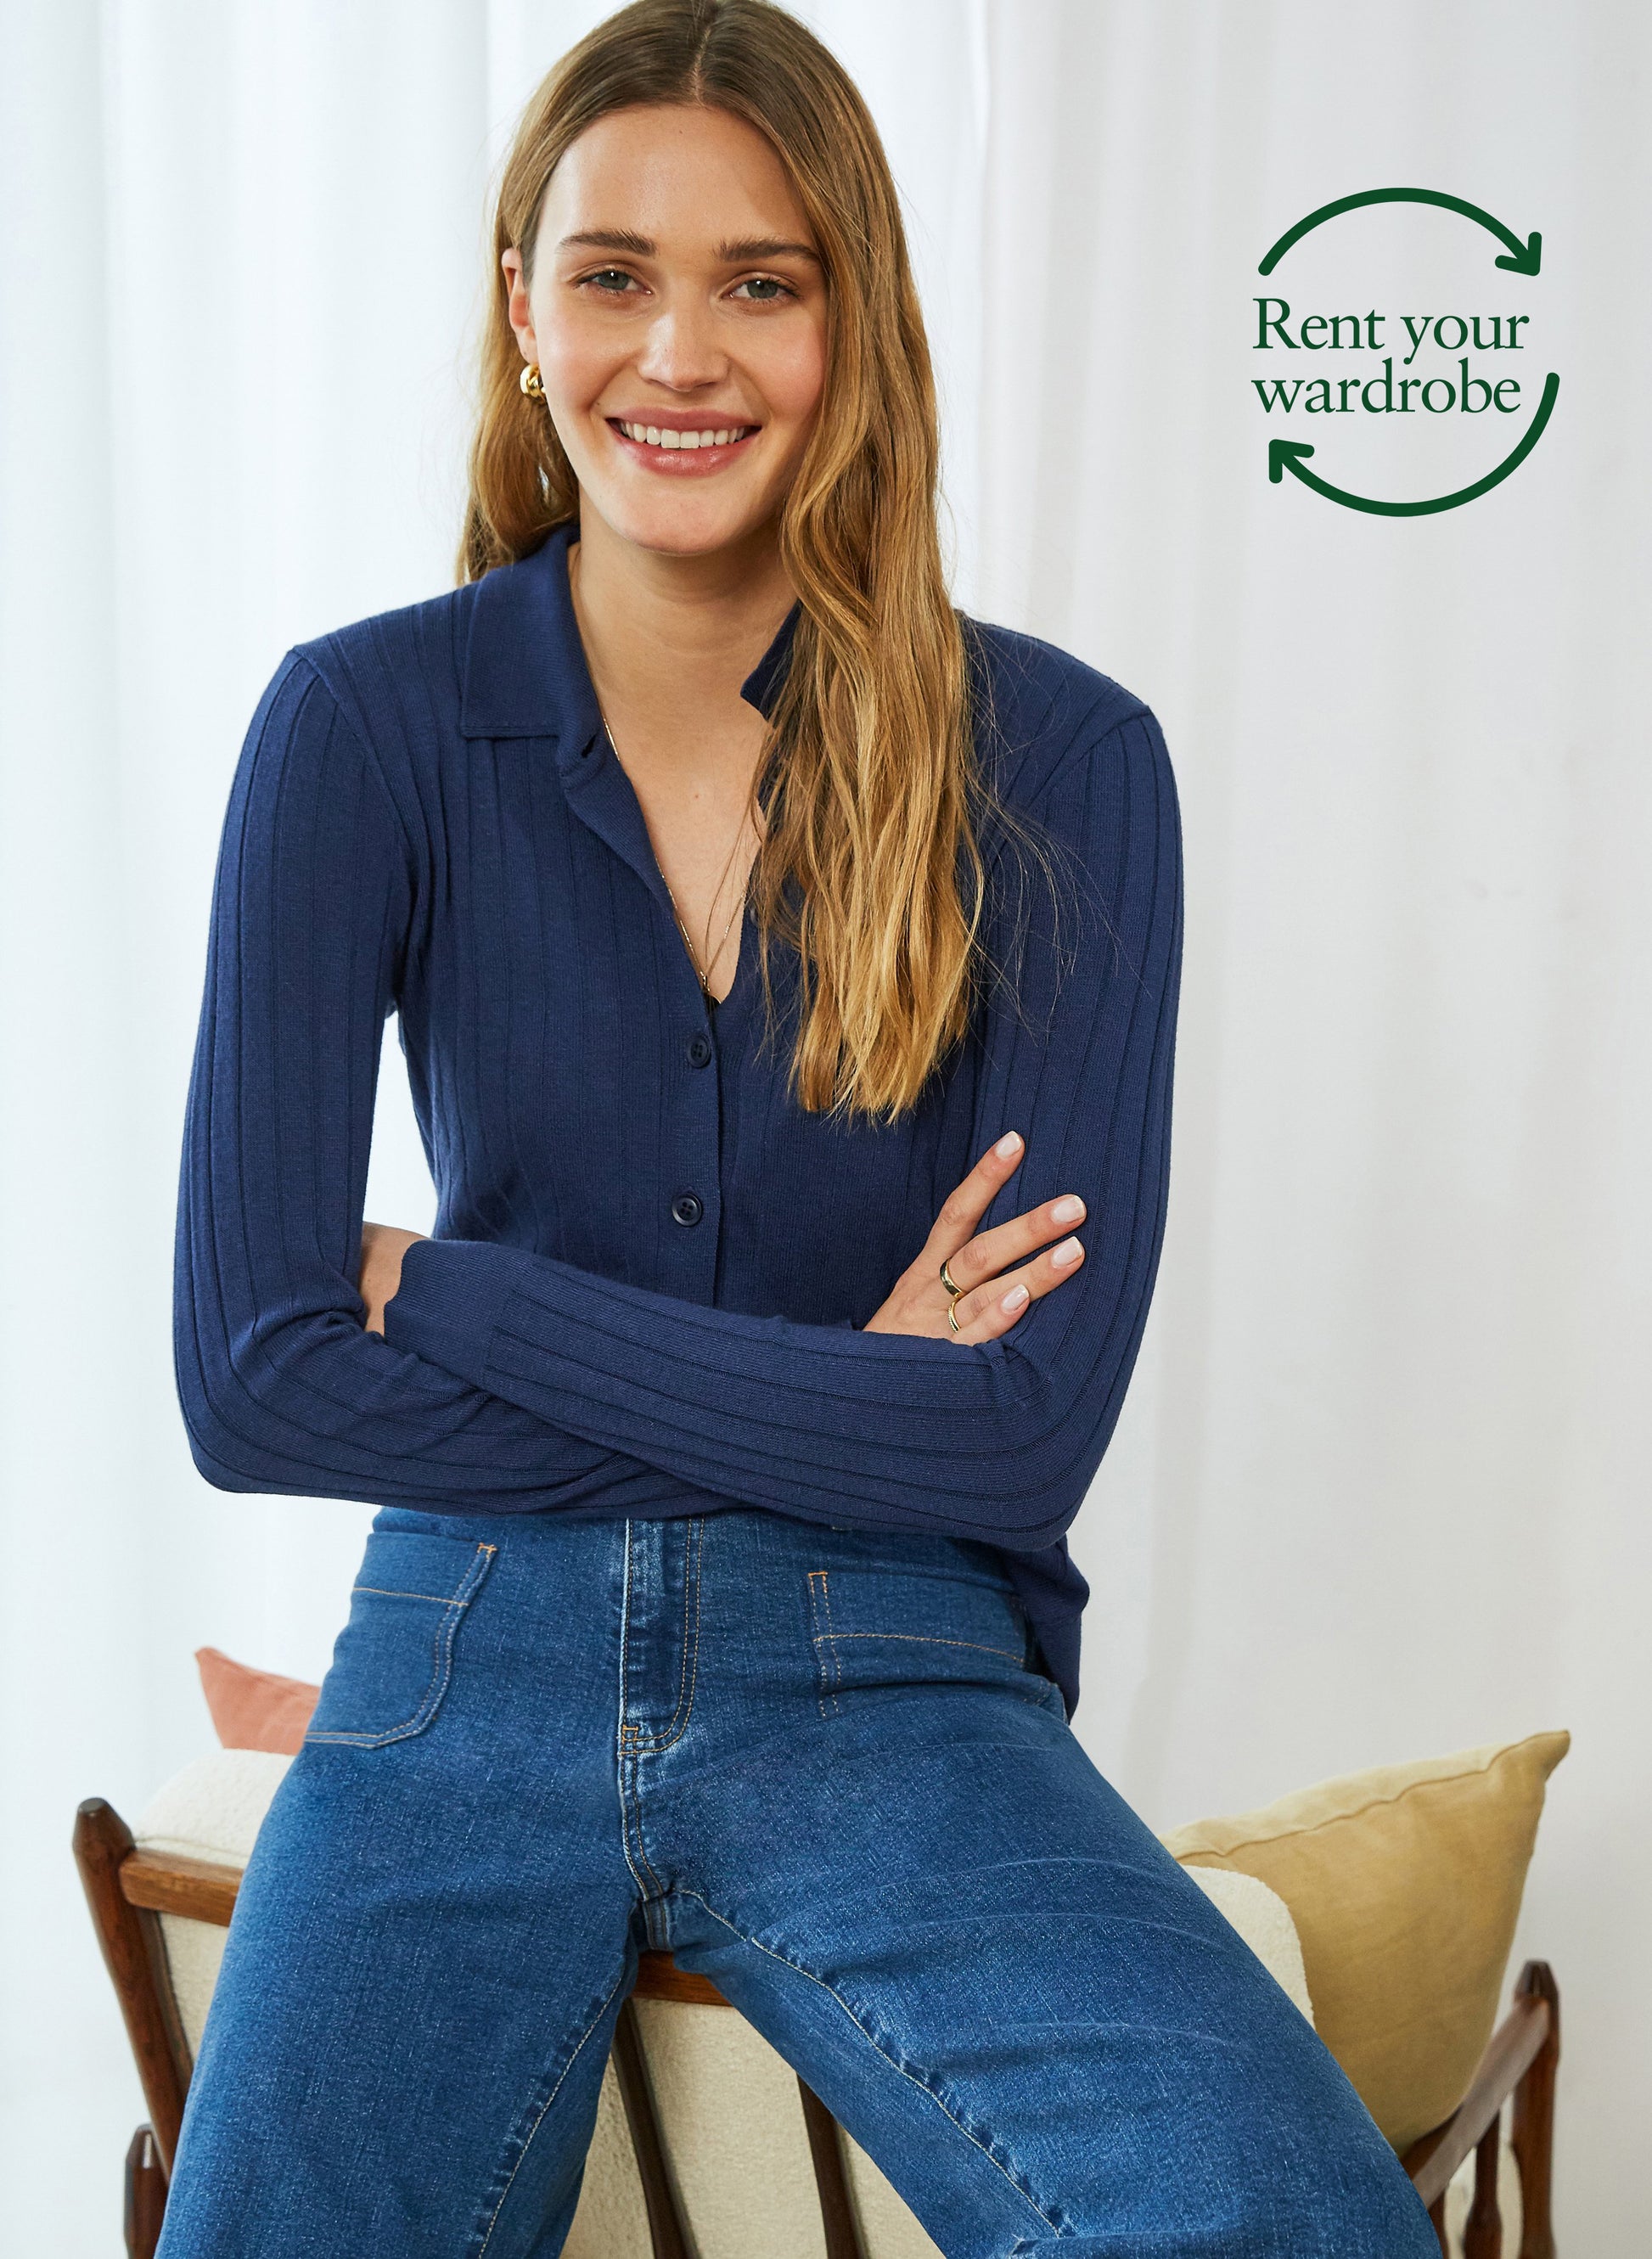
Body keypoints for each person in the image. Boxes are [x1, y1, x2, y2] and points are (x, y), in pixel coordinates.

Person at [160, 3, 1437, 2253]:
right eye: (614, 275)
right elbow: (253, 1387)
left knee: (1282, 2218)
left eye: (761, 281)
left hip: (890, 1660)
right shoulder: (358, 729)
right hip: (470, 1649)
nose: (682, 353)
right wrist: (852, 1394)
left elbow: (1010, 1439)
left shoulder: (1063, 764)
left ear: (855, 323)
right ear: (523, 310)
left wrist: (443, 1290)